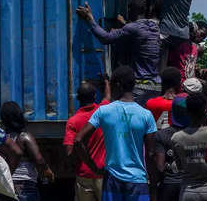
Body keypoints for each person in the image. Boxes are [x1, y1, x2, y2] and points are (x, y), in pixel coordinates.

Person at [75, 66, 158, 201]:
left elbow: (78, 140)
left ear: (118, 85)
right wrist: (153, 185)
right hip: (138, 181)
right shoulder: (146, 115)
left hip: (112, 180)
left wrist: (94, 168)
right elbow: (150, 154)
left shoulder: (104, 111)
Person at [77, 0, 161, 106]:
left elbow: (105, 38)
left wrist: (90, 19)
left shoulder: (132, 28)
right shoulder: (154, 28)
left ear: (130, 10)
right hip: (156, 85)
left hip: (140, 86)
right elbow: (139, 35)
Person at [0, 101, 54, 201]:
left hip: (5, 186)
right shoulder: (24, 137)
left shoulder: (1, 138)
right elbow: (39, 160)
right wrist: (47, 171)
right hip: (25, 187)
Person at [172, 92, 207, 201]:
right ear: (206, 110)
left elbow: (179, 167)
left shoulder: (176, 138)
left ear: (187, 112)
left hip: (188, 191)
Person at [64, 82, 109, 201]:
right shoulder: (103, 112)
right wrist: (106, 82)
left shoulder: (73, 121)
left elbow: (69, 153)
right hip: (103, 174)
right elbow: (107, 97)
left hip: (84, 176)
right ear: (94, 96)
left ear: (78, 98)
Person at [155, 94, 188, 201]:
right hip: (189, 186)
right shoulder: (197, 133)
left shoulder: (162, 134)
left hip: (169, 186)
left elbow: (160, 167)